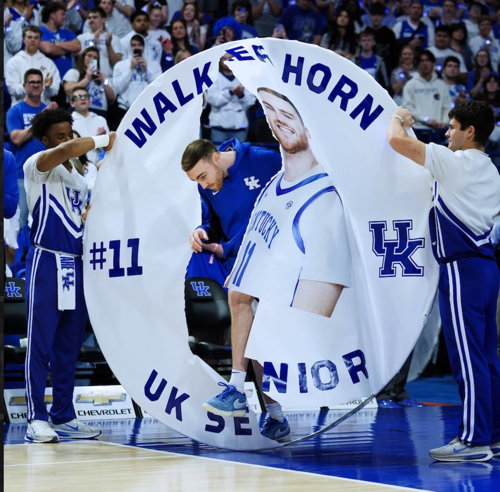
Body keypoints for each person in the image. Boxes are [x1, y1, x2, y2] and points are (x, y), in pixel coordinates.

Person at [202, 88, 351, 440]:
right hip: (262, 260)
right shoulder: (274, 183)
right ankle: (269, 410)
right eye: (271, 112)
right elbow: (233, 225)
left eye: (287, 113)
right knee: (249, 325)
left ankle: (248, 392)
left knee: (249, 314)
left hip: (301, 277)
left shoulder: (300, 178)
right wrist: (210, 236)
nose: (279, 119)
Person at [387, 100, 500, 462]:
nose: (447, 133)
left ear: (470, 132)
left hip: (461, 268)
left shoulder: (456, 163)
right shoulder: (491, 170)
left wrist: (399, 117)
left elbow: (396, 141)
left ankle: (473, 440)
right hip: (485, 267)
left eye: (452, 127)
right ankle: (493, 435)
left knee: (467, 358)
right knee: (486, 356)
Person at [23, 107, 116, 443]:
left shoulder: (77, 176)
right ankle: (36, 418)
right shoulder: (37, 165)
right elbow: (67, 150)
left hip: (76, 263)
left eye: (68, 133)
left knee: (68, 346)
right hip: (46, 260)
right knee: (40, 344)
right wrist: (103, 140)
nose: (65, 140)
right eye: (58, 136)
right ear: (45, 140)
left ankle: (63, 414)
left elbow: (79, 214)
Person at [181, 135, 282, 287]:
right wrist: (203, 231)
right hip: (236, 270)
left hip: (275, 262)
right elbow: (213, 224)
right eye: (196, 180)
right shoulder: (206, 188)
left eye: (203, 176)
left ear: (216, 158)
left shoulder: (266, 160)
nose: (203, 185)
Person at [6, 69, 57, 229]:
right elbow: (17, 138)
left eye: (38, 82)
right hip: (22, 175)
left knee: (45, 223)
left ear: (43, 86)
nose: (35, 85)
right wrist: (41, 117)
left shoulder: (49, 112)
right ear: (24, 85)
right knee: (20, 223)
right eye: (32, 82)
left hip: (47, 175)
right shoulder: (16, 110)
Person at [205, 54, 256, 144]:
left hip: (239, 127)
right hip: (218, 127)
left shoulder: (244, 78)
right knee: (218, 152)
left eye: (231, 58)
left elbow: (251, 102)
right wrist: (230, 93)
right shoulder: (213, 78)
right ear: (220, 61)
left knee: (238, 153)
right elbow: (213, 100)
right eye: (224, 58)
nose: (227, 61)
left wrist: (241, 95)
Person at [402, 50, 451, 143]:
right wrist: (426, 120)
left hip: (439, 130)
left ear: (433, 63)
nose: (425, 63)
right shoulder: (410, 84)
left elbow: (447, 107)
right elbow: (408, 108)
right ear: (417, 64)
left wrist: (444, 122)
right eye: (422, 61)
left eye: (428, 60)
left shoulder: (441, 85)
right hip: (418, 130)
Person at [5, 26, 61, 107]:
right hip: (20, 108)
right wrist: (29, 87)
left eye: (36, 38)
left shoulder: (48, 63)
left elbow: (55, 91)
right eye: (29, 37)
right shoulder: (13, 62)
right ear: (23, 39)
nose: (32, 40)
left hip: (43, 108)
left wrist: (48, 87)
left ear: (40, 40)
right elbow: (12, 89)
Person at [112, 35, 162, 124]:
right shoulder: (120, 65)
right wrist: (131, 69)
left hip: (148, 109)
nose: (137, 48)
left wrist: (147, 71)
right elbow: (117, 89)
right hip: (125, 109)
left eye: (139, 45)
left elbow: (159, 87)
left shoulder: (154, 65)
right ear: (129, 47)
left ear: (144, 47)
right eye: (133, 45)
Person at [70, 87, 110, 190]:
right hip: (79, 169)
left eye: (85, 96)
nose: (83, 98)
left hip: (101, 167)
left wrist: (102, 141)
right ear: (72, 103)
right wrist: (95, 141)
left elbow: (109, 148)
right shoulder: (68, 122)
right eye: (78, 96)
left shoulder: (100, 120)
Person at [62, 46, 116, 122]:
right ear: (83, 57)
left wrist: (104, 82)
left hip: (100, 113)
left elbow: (112, 98)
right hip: (79, 111)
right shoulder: (74, 72)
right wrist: (87, 79)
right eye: (89, 56)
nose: (92, 59)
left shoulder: (102, 76)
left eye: (95, 58)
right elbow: (68, 91)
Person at [77, 7, 123, 81]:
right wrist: (93, 43)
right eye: (89, 18)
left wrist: (108, 45)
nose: (91, 20)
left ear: (103, 19)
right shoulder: (81, 38)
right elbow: (78, 59)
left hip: (106, 78)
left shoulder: (113, 38)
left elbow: (117, 63)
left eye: (95, 17)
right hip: (85, 78)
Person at [39, 2, 81, 80]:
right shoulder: (40, 31)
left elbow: (77, 46)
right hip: (49, 78)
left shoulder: (66, 32)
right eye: (62, 14)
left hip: (67, 79)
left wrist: (56, 43)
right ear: (52, 16)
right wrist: (69, 50)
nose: (65, 17)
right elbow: (48, 49)